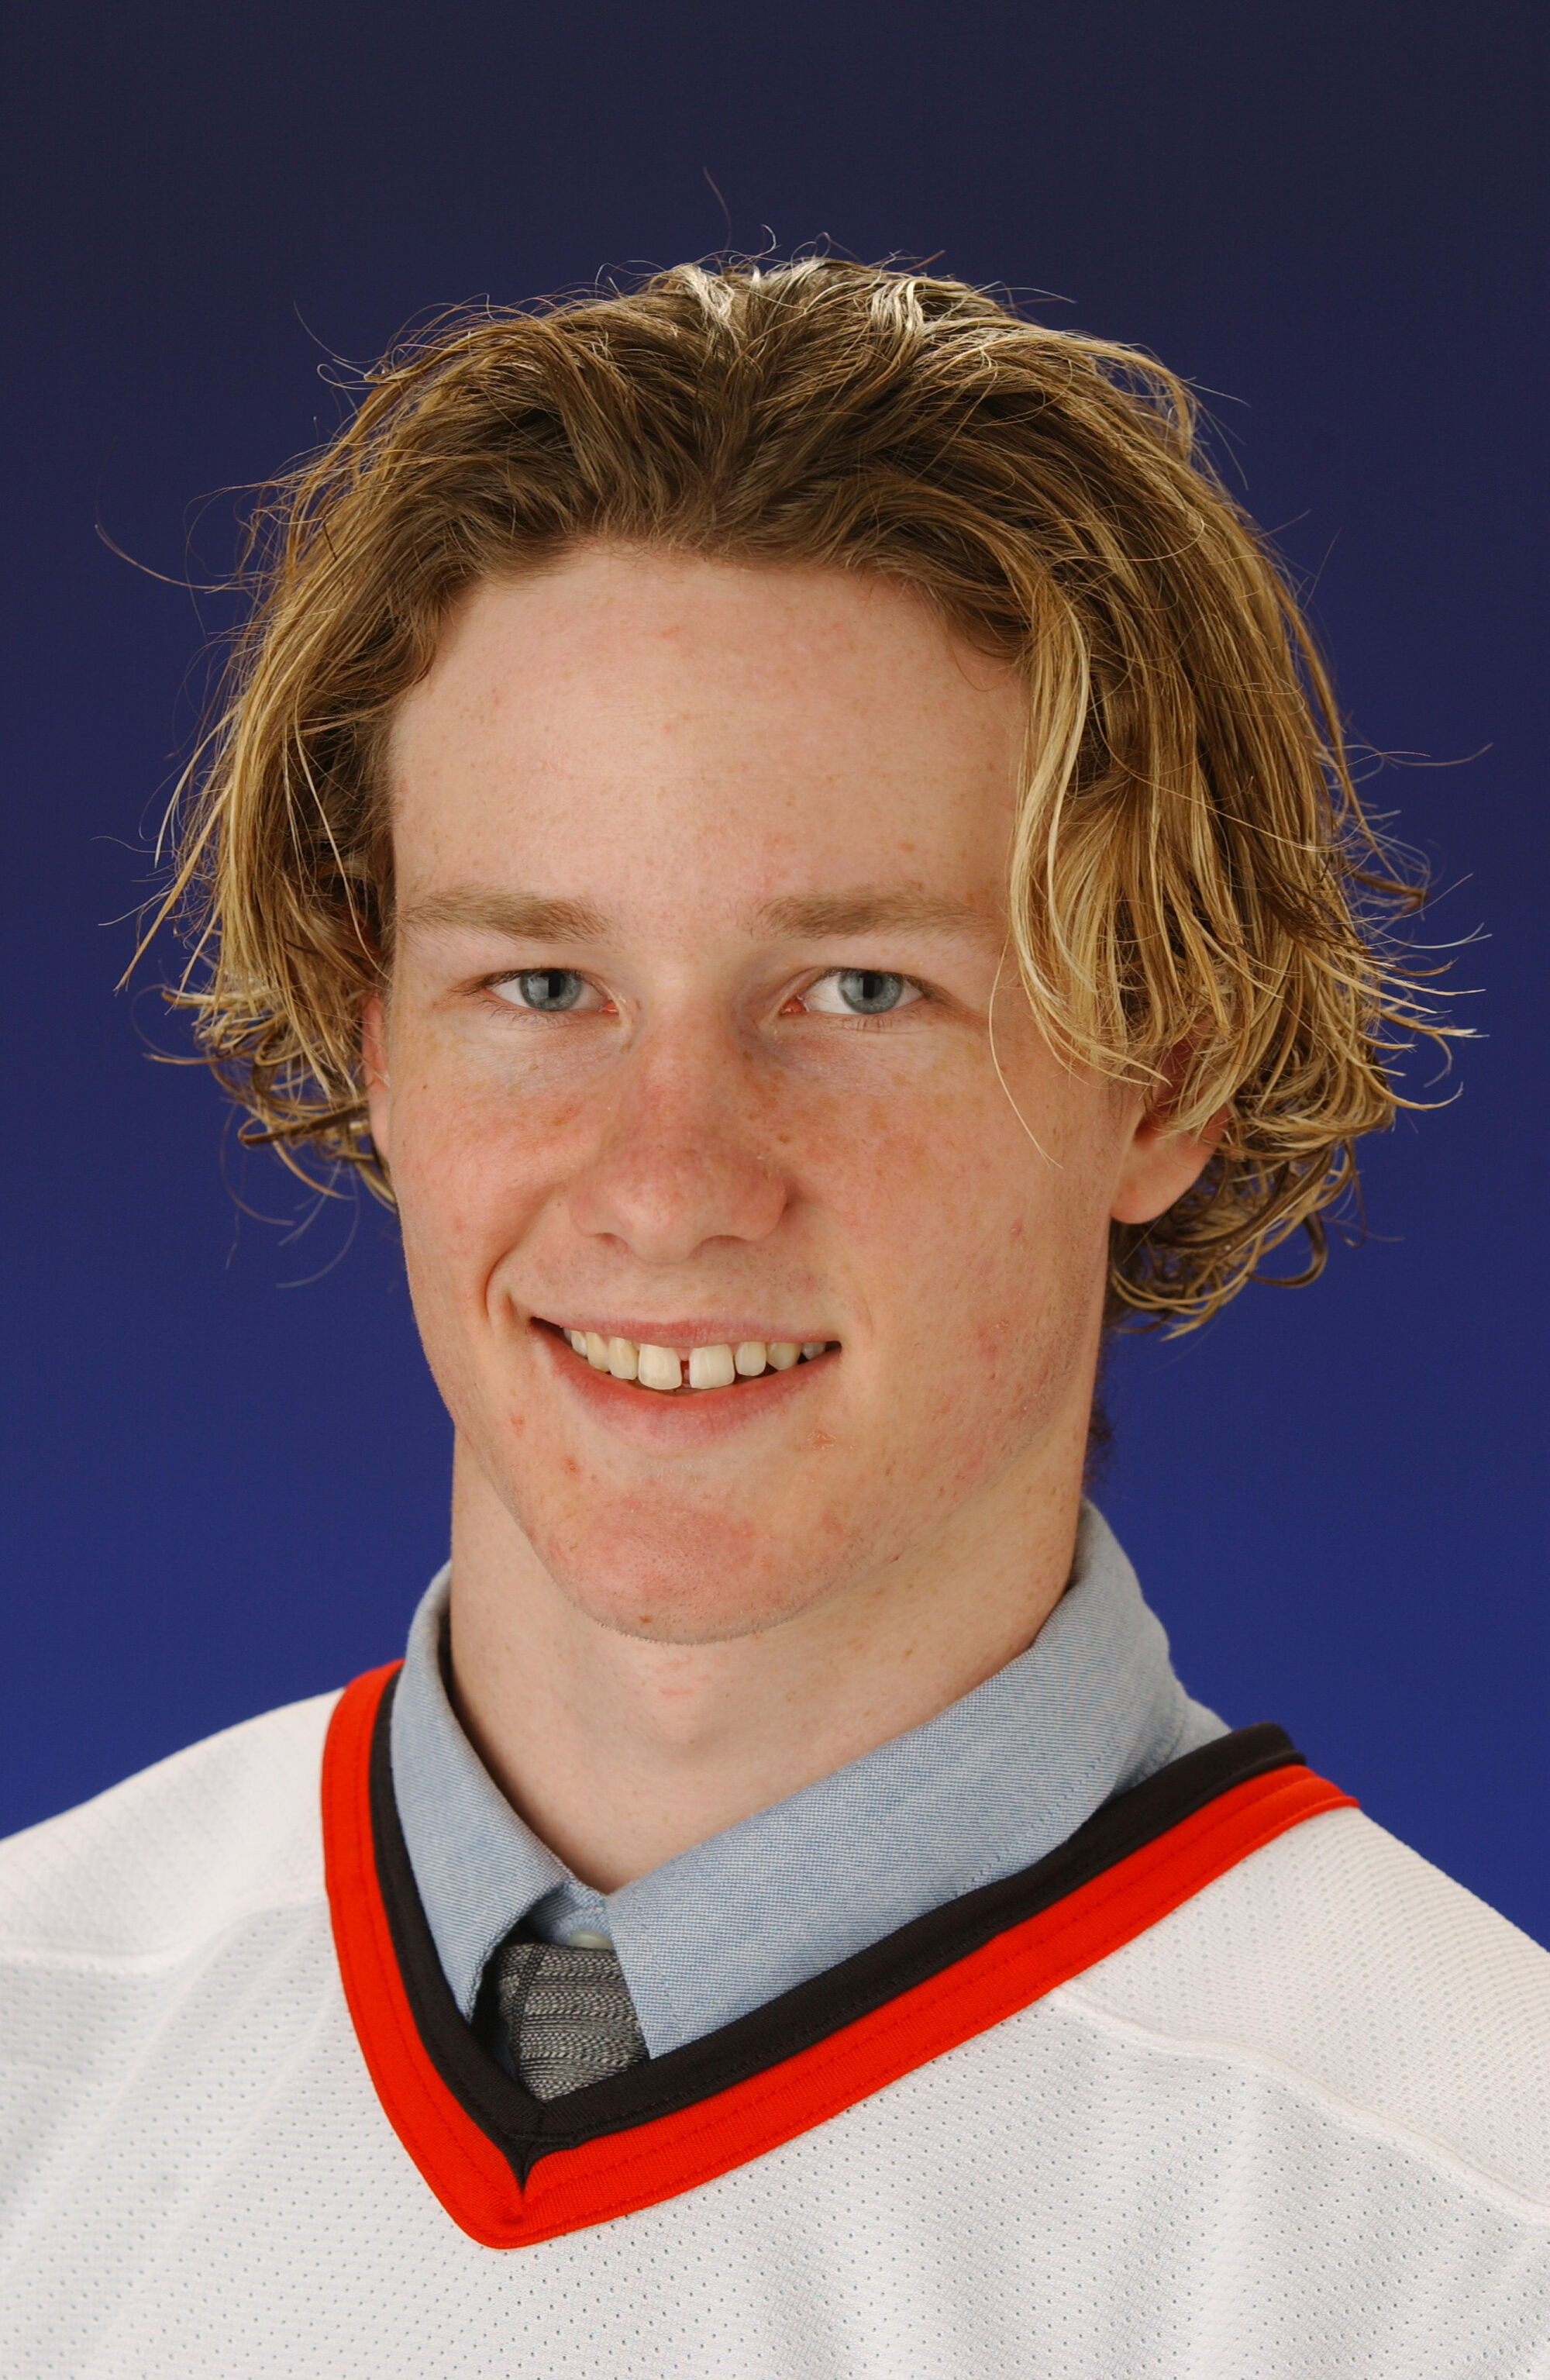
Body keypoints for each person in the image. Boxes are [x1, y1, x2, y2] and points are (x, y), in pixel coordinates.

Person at [2, 259, 1546, 2378]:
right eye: (542, 985)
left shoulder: (1471, 2249)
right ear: (373, 1037)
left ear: (1166, 1067)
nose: (667, 1181)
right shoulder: (35, 2063)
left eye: (859, 991)